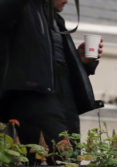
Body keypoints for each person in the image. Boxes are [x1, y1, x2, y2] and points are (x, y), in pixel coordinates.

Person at [0, 0, 104, 148]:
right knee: (49, 164)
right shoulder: (21, 10)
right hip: (36, 106)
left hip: (65, 107)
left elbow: (55, 68)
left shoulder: (54, 19)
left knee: (70, 163)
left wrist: (80, 62)